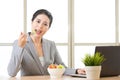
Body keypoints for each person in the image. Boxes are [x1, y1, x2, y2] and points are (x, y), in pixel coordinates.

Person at [7, 9, 85, 77]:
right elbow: (11, 72)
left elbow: (62, 67)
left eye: (45, 24)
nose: (40, 26)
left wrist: (76, 71)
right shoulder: (19, 42)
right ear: (32, 22)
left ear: (48, 28)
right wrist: (20, 47)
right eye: (38, 21)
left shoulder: (51, 44)